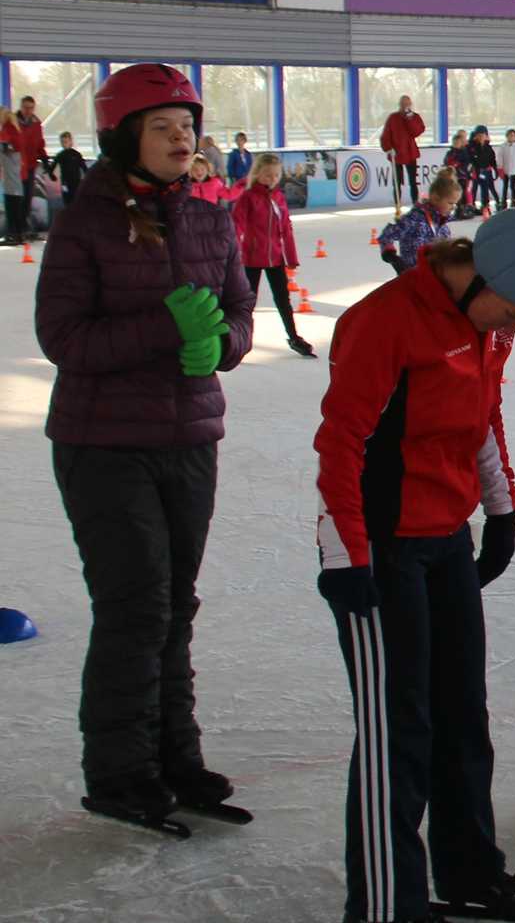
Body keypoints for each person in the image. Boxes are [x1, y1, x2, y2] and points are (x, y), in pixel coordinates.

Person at [316, 207, 515, 923]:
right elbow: (342, 441)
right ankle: (385, 905)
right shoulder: (385, 320)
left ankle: (467, 871)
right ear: (480, 275)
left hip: (445, 541)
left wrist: (501, 509)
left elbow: (481, 417)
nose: (514, 330)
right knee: (398, 729)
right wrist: (345, 557)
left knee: (463, 717)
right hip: (379, 548)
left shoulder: (481, 323)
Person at [35, 63, 257, 831]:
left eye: (187, 127)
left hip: (190, 436)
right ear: (124, 136)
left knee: (177, 604)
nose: (180, 139)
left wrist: (220, 343)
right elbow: (62, 337)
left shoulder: (209, 218)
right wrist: (165, 329)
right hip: (104, 443)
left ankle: (175, 757)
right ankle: (120, 768)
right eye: (162, 127)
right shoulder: (85, 223)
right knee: (136, 603)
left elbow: (238, 311)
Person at [231, 154, 314, 358]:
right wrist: (232, 253)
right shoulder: (247, 197)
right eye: (268, 175)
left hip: (275, 258)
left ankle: (293, 337)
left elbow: (286, 230)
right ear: (257, 174)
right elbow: (236, 226)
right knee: (247, 301)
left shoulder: (279, 198)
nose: (272, 179)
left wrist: (291, 258)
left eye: (276, 175)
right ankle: (240, 338)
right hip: (251, 259)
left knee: (283, 299)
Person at [379, 168, 459, 274]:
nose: (453, 208)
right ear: (435, 198)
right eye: (450, 203)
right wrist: (392, 256)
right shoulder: (415, 219)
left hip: (435, 278)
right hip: (414, 278)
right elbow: (387, 235)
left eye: (455, 204)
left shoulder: (443, 227)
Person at [382, 95, 427, 209]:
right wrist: (388, 148)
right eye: (403, 104)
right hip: (396, 155)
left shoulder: (415, 117)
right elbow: (386, 135)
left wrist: (410, 119)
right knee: (397, 182)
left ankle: (415, 203)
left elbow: (416, 132)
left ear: (410, 104)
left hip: (410, 153)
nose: (405, 106)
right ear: (399, 105)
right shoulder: (393, 118)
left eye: (407, 104)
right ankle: (397, 203)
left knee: (413, 180)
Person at [1, 108, 26, 244]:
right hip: (14, 176)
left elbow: (6, 146)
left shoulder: (7, 128)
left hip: (10, 174)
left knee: (11, 206)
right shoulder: (14, 128)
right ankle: (17, 232)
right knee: (15, 206)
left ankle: (12, 233)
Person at [468, 125, 500, 214]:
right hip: (476, 170)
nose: (481, 137)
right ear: (475, 136)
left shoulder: (488, 148)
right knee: (474, 188)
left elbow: (492, 159)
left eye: (483, 136)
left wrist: (495, 169)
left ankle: (485, 205)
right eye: (479, 136)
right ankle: (472, 205)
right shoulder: (472, 147)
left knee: (486, 188)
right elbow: (469, 158)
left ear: (486, 136)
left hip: (486, 170)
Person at [445, 129, 474, 215]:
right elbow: (446, 161)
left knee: (462, 192)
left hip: (462, 175)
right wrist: (450, 163)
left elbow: (467, 162)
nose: (456, 145)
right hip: (454, 175)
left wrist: (460, 165)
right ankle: (458, 207)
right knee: (454, 191)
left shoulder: (463, 152)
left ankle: (464, 207)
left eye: (458, 143)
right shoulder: (450, 152)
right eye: (455, 143)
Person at [53, 131, 89, 200]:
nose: (63, 144)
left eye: (65, 142)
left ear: (70, 141)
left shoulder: (76, 155)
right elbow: (53, 166)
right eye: (62, 142)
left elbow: (84, 168)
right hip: (65, 182)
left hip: (76, 182)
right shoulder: (60, 155)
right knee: (66, 198)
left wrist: (87, 179)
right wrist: (51, 175)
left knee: (76, 198)